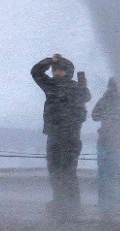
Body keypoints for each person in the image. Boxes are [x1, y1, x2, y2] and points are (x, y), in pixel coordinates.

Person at [31, 54, 90, 220]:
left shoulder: (60, 87)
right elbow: (36, 72)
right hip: (57, 136)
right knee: (57, 171)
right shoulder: (55, 86)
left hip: (68, 137)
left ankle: (70, 207)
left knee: (66, 172)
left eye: (60, 69)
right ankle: (62, 204)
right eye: (55, 69)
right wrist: (51, 60)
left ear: (67, 71)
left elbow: (36, 73)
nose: (57, 72)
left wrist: (50, 61)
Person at [92, 77, 120, 217]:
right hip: (117, 143)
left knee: (106, 176)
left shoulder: (105, 100)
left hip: (107, 142)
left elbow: (94, 116)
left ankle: (107, 207)